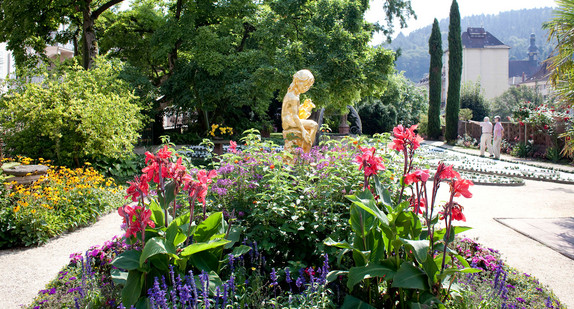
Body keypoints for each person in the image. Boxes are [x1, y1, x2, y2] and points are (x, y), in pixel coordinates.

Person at [281, 69, 318, 162]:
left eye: (308, 86)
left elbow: (294, 113)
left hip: (290, 121)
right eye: (305, 85)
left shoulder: (294, 94)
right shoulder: (293, 97)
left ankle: (305, 152)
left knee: (311, 126)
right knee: (314, 125)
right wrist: (303, 131)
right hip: (289, 122)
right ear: (297, 81)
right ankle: (306, 154)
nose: (306, 88)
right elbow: (294, 116)